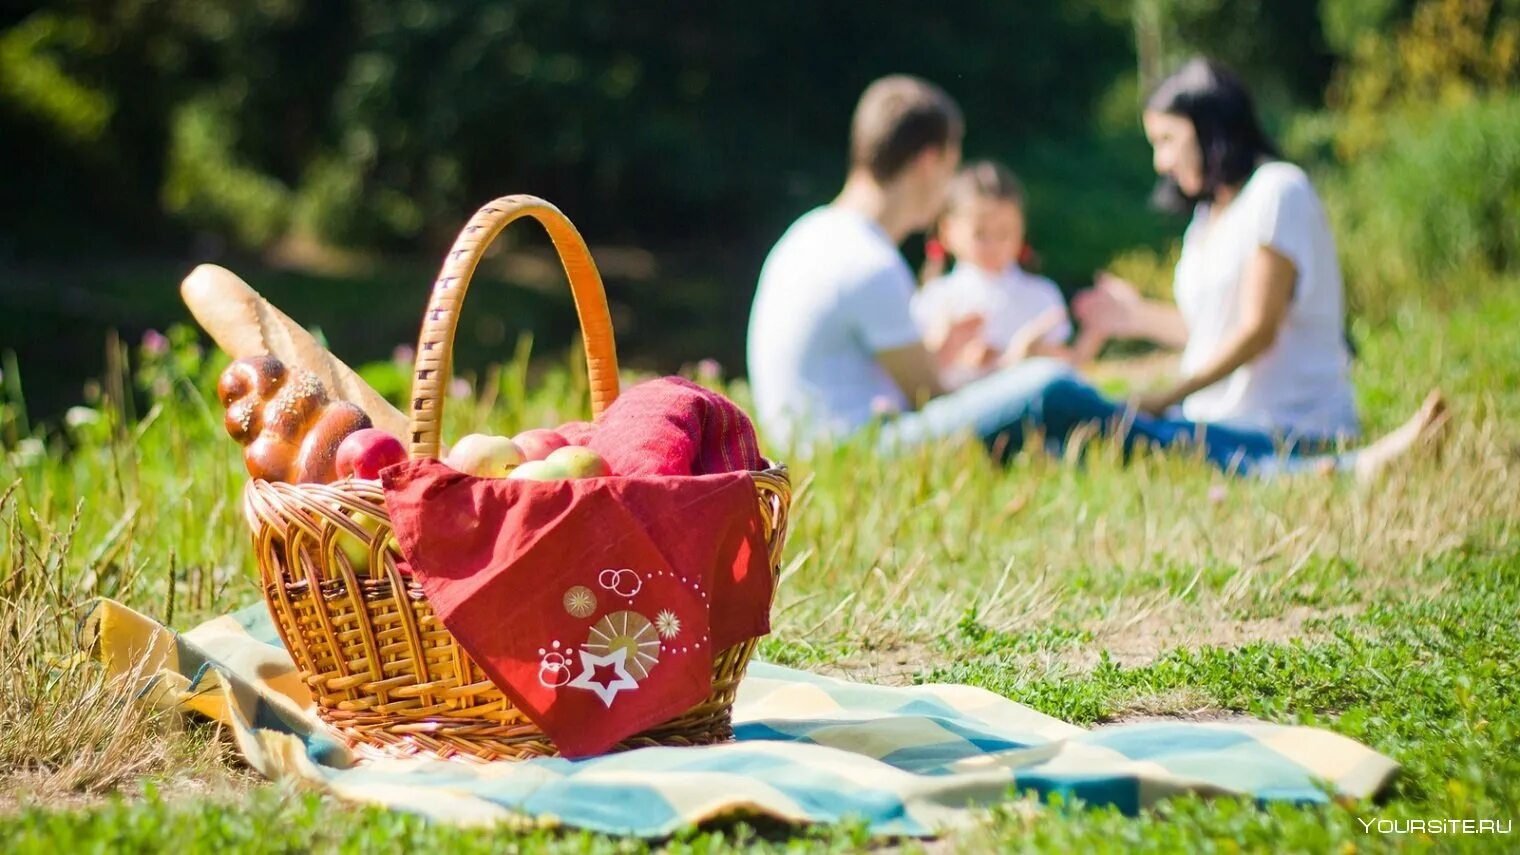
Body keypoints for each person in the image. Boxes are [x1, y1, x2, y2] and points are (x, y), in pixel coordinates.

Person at [747, 65, 1443, 479]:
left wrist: (980, 368)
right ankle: (1319, 470)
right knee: (1049, 385)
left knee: (1070, 405)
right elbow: (929, 399)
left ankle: (1303, 466)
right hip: (860, 453)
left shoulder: (812, 235)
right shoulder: (867, 260)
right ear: (931, 160)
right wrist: (1010, 372)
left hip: (829, 449)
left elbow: (915, 385)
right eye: (954, 163)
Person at [912, 160, 1104, 385]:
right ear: (947, 231)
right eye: (980, 234)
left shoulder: (1042, 294)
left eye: (1004, 233)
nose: (993, 246)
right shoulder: (935, 298)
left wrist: (1093, 333)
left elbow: (1068, 371)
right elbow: (921, 380)